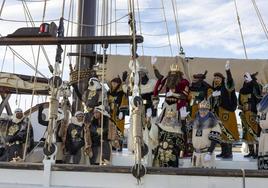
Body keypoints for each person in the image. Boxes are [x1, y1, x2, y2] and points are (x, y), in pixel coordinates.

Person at [150, 63, 189, 167]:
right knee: (160, 126)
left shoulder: (184, 82)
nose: (172, 75)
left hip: (177, 107)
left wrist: (174, 94)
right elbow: (159, 83)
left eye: (174, 73)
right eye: (171, 73)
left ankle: (183, 149)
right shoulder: (167, 80)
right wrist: (154, 67)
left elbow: (185, 95)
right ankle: (158, 146)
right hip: (166, 106)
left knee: (181, 127)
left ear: (179, 73)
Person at [211, 61, 239, 158]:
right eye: (215, 78)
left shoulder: (226, 87)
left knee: (228, 132)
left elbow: (230, 81)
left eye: (218, 78)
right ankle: (223, 152)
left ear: (222, 79)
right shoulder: (214, 90)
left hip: (227, 113)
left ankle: (229, 153)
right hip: (218, 114)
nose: (216, 80)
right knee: (220, 132)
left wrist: (228, 71)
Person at [187, 100, 221, 168]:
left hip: (206, 154)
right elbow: (186, 132)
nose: (202, 111)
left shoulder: (213, 123)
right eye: (201, 109)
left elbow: (214, 140)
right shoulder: (194, 122)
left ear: (208, 110)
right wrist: (182, 119)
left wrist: (209, 153)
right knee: (194, 175)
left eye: (205, 110)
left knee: (208, 176)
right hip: (196, 155)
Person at [239, 72, 262, 158]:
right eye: (244, 78)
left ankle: (257, 152)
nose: (245, 79)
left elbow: (259, 97)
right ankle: (251, 151)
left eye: (247, 78)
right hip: (245, 114)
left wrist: (253, 82)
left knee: (256, 132)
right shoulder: (242, 90)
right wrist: (241, 109)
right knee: (247, 133)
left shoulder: (255, 87)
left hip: (253, 114)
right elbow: (240, 101)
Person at [108, 76, 129, 151]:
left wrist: (122, 111)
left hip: (118, 113)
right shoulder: (109, 92)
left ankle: (119, 145)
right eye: (113, 82)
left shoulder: (121, 93)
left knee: (119, 129)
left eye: (115, 83)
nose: (113, 84)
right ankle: (113, 145)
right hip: (110, 113)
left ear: (118, 84)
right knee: (111, 128)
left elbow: (124, 101)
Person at [257, 84, 268, 169]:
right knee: (262, 154)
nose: (264, 95)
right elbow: (258, 122)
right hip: (263, 135)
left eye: (265, 93)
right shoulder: (260, 107)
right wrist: (257, 135)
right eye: (263, 93)